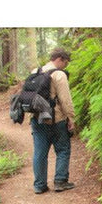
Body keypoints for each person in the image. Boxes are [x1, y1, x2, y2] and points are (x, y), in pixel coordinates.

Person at [31, 48, 77, 194]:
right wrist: (71, 117)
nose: (65, 66)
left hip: (37, 118)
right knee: (63, 149)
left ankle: (39, 185)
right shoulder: (59, 74)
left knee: (39, 152)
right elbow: (65, 99)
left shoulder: (35, 71)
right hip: (56, 119)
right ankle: (60, 181)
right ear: (59, 59)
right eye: (65, 62)